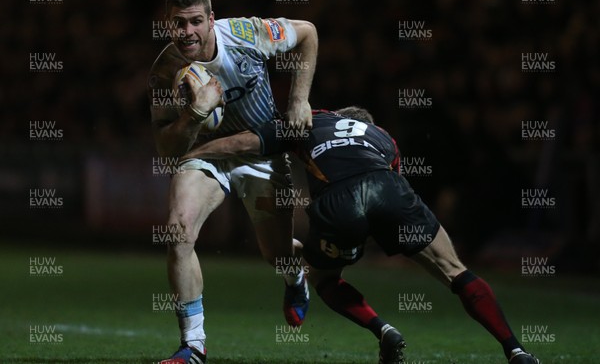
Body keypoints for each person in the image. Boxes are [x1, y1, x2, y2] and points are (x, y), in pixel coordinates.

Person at [182, 106, 541, 364]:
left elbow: (244, 144)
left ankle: (382, 329)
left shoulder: (311, 120)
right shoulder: (384, 138)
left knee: (323, 278)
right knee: (454, 269)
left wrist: (193, 153)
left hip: (341, 202)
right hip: (390, 189)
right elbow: (386, 186)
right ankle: (516, 350)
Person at [147, 0, 318, 364]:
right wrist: (195, 113)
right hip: (207, 157)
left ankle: (295, 277)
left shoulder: (246, 33)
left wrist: (298, 100)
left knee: (276, 254)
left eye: (194, 21)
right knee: (179, 232)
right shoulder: (164, 73)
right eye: (178, 23)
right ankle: (193, 346)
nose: (186, 31)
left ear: (211, 20)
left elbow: (307, 32)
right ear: (168, 24)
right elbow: (165, 148)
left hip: (260, 151)